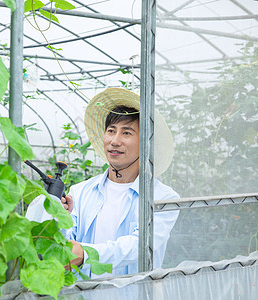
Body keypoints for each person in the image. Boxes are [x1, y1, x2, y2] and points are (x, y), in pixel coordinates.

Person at [61, 88, 180, 279]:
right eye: (111, 131)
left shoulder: (163, 198)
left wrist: (87, 254)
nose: (115, 141)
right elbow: (65, 242)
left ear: (146, 142)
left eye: (126, 132)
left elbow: (139, 246)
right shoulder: (80, 191)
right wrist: (58, 216)